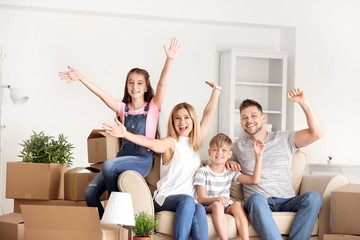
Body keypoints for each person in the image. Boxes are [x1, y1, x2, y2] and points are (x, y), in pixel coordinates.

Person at [59, 38, 180, 218]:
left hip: (142, 159)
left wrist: (169, 59)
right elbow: (101, 94)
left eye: (139, 83)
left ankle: (117, 207)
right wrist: (81, 78)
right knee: (89, 194)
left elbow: (162, 83)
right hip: (123, 157)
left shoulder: (153, 108)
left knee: (108, 165)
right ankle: (104, 228)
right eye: (131, 82)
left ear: (146, 87)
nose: (135, 86)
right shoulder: (123, 108)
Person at [103, 81, 222, 240]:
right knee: (188, 200)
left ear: (193, 121)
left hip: (187, 202)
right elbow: (151, 143)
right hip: (164, 198)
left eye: (186, 118)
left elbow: (208, 113)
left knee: (199, 208)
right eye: (177, 118)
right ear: (172, 122)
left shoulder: (196, 141)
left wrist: (216, 90)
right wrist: (126, 134)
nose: (182, 122)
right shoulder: (170, 143)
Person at [227, 88, 324, 240]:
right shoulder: (237, 146)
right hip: (259, 201)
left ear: (263, 118)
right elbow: (218, 161)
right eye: (244, 117)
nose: (249, 120)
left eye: (253, 115)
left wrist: (304, 103)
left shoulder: (284, 138)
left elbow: (317, 133)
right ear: (241, 122)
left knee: (314, 197)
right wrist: (229, 164)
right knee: (256, 198)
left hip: (287, 200)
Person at [194, 133, 264, 240]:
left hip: (226, 205)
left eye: (223, 150)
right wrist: (217, 199)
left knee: (237, 205)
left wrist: (258, 156)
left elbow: (254, 180)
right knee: (218, 205)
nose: (219, 153)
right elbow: (201, 200)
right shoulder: (202, 172)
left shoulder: (230, 172)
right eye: (215, 149)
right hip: (209, 206)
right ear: (209, 152)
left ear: (230, 154)